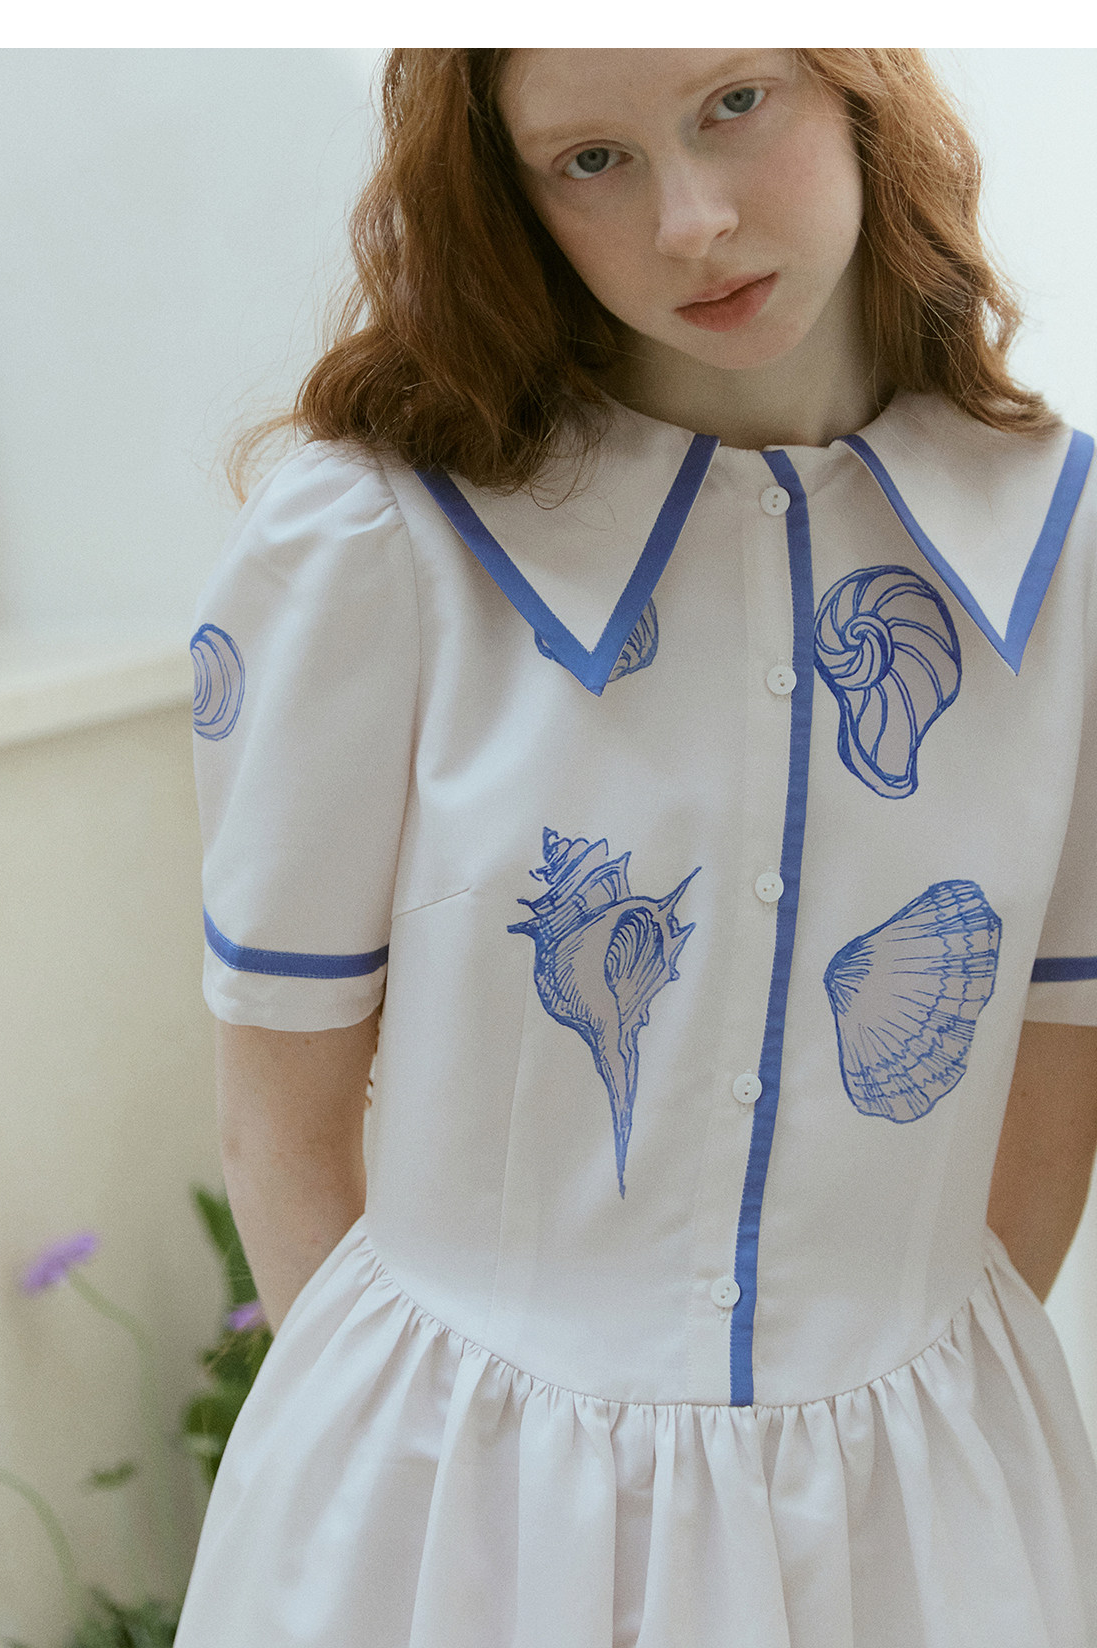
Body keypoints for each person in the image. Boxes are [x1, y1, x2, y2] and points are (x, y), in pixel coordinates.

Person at [174, 47, 1097, 1647]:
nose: (691, 223)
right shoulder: (379, 544)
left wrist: (863, 1421)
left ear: (860, 88)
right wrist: (422, 1487)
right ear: (510, 191)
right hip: (451, 1524)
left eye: (737, 104)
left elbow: (1055, 1074)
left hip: (924, 1522)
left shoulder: (1057, 557)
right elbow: (283, 1119)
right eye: (588, 160)